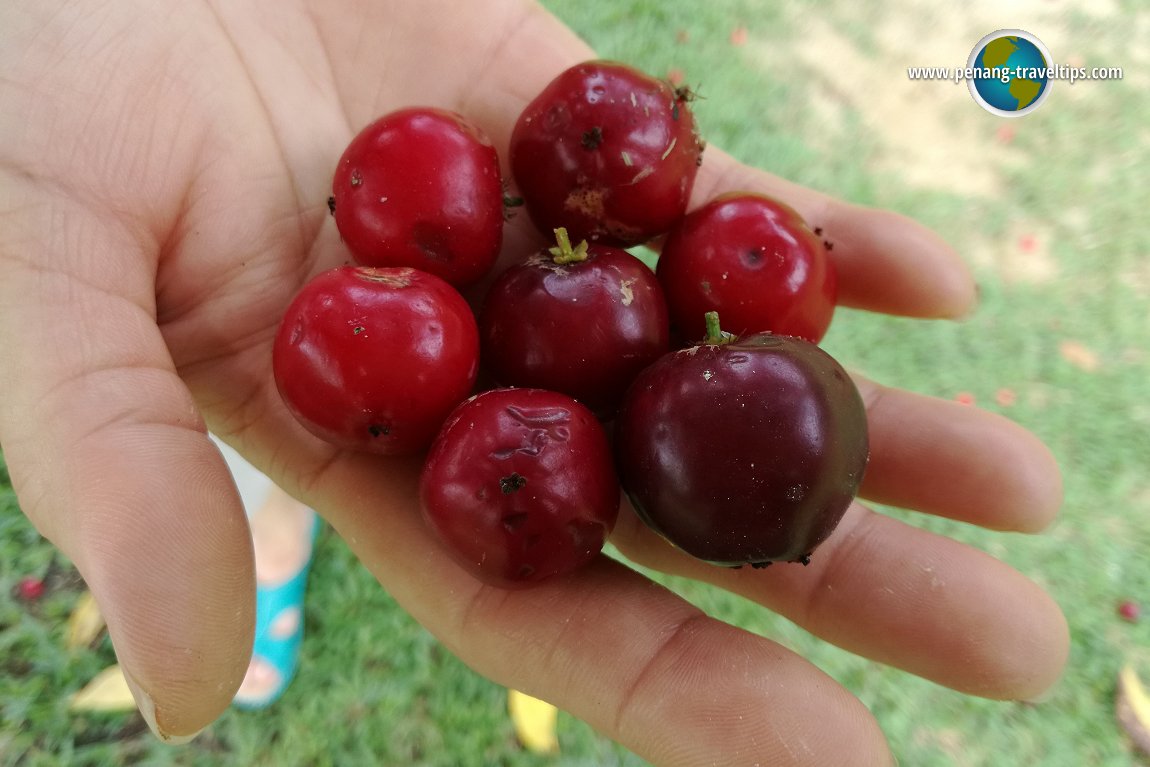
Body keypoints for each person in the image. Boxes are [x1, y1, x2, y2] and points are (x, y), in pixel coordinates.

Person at [0, 1, 1069, 764]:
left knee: (283, 407)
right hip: (375, 381)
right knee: (254, 422)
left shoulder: (594, 314)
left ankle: (278, 523)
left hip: (445, 384)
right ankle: (275, 521)